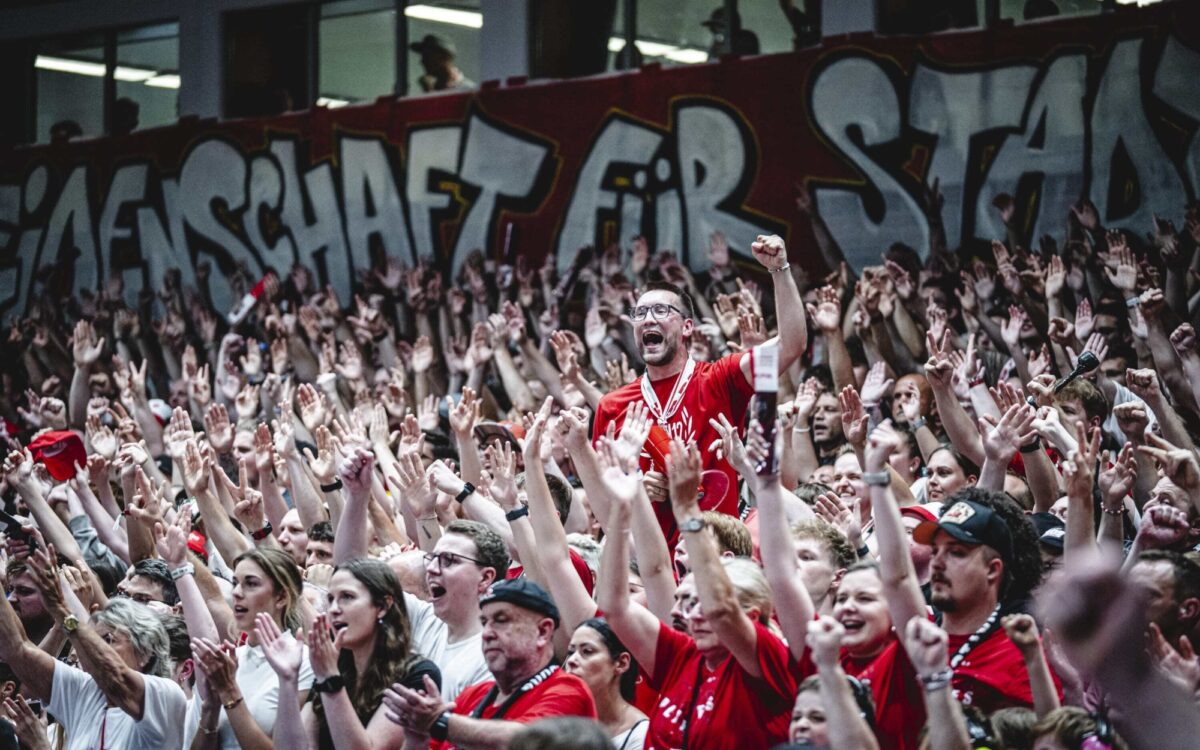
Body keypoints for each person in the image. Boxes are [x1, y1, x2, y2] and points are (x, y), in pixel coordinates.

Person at [592, 234, 806, 540]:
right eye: (640, 314)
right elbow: (604, 505)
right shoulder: (612, 406)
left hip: (720, 553)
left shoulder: (720, 379)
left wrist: (780, 270)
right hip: (652, 565)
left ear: (687, 327)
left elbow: (792, 344)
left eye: (661, 311)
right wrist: (636, 487)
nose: (648, 319)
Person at [599, 440, 796, 749]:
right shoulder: (684, 655)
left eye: (697, 602)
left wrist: (688, 510)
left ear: (752, 615)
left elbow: (721, 610)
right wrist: (621, 513)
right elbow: (613, 606)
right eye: (684, 601)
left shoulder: (769, 658)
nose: (681, 613)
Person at [0, 545, 187, 750]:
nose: (88, 650)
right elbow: (17, 649)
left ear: (145, 652)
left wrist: (62, 612)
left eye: (108, 640)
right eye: (94, 640)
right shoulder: (85, 688)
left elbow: (116, 677)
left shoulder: (166, 695)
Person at [382, 577, 597, 749]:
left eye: (501, 620)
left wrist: (438, 721)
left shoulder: (568, 689)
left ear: (543, 631)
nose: (487, 634)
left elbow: (528, 740)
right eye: (484, 622)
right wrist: (417, 739)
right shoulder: (472, 696)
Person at [913, 487, 1061, 712]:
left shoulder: (1021, 653)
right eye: (935, 551)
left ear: (992, 570)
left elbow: (1050, 738)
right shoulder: (917, 636)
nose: (937, 563)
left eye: (956, 553)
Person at [267, 557, 439, 749]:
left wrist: (331, 680)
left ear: (382, 607)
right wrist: (288, 680)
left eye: (347, 597)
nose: (333, 609)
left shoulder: (416, 673)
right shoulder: (336, 667)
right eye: (330, 599)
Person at [563, 618, 647, 750]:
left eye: (587, 651)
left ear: (621, 663)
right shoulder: (560, 720)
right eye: (570, 652)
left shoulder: (642, 735)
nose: (572, 661)